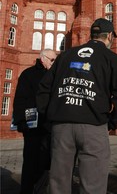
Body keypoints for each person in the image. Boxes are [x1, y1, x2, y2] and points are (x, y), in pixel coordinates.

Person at [36, 18, 117, 194]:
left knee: (58, 183)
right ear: (110, 36)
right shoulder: (112, 58)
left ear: (91, 35)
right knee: (93, 185)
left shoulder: (65, 55)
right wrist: (112, 123)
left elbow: (43, 88)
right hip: (94, 127)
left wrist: (49, 117)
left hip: (61, 126)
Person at [13, 48, 56, 194]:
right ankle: (27, 190)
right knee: (31, 160)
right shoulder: (28, 74)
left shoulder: (55, 76)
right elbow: (20, 99)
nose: (54, 63)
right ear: (43, 58)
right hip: (31, 127)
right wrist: (21, 121)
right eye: (52, 60)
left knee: (47, 161)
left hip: (49, 126)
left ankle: (41, 189)